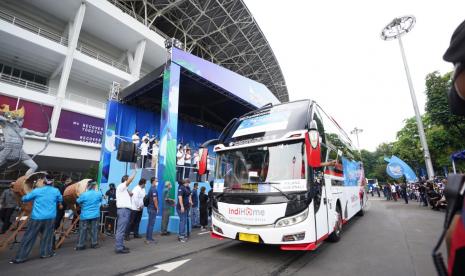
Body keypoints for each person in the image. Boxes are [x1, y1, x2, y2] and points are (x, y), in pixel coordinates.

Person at [10, 174, 63, 264]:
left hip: (37, 217)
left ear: (43, 182)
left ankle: (20, 258)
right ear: (52, 182)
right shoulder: (56, 191)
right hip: (50, 217)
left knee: (29, 237)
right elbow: (60, 199)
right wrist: (59, 203)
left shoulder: (37, 191)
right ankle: (46, 253)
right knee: (47, 236)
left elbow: (25, 198)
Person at [75, 181, 102, 250]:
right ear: (94, 186)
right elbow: (100, 200)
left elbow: (78, 201)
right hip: (95, 215)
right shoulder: (98, 194)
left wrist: (78, 195)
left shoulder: (84, 194)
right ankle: (94, 243)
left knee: (83, 230)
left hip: (85, 215)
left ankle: (81, 245)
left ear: (87, 186)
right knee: (94, 229)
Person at [114, 168, 136, 254]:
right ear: (125, 180)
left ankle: (121, 245)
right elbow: (129, 181)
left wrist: (129, 192)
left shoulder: (124, 189)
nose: (129, 182)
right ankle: (119, 247)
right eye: (128, 180)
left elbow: (130, 194)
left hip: (125, 211)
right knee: (121, 230)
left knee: (122, 229)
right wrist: (135, 172)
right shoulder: (121, 186)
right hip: (123, 211)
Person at [145, 177, 158, 244]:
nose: (157, 182)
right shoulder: (153, 189)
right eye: (156, 181)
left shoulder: (151, 188)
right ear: (153, 181)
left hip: (150, 208)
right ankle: (149, 239)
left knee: (149, 224)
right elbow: (155, 199)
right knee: (151, 225)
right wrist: (157, 208)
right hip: (153, 209)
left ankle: (148, 238)